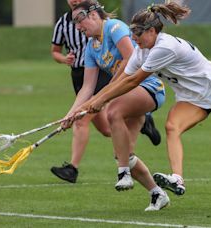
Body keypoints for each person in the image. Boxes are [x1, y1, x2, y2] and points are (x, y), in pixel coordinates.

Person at [77, 1, 211, 197]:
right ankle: (178, 179)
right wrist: (92, 103)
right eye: (132, 33)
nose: (133, 39)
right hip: (191, 97)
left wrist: (99, 102)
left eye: (137, 34)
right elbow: (121, 79)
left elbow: (133, 82)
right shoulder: (142, 50)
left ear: (152, 31)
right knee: (172, 126)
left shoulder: (164, 47)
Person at [65, 0, 169, 211]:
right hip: (125, 95)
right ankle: (157, 193)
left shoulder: (115, 28)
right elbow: (87, 88)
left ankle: (123, 173)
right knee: (123, 152)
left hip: (149, 87)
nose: (77, 26)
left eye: (79, 19)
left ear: (94, 15)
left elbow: (131, 59)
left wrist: (105, 96)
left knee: (113, 111)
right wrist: (72, 113)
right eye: (74, 22)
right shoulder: (91, 48)